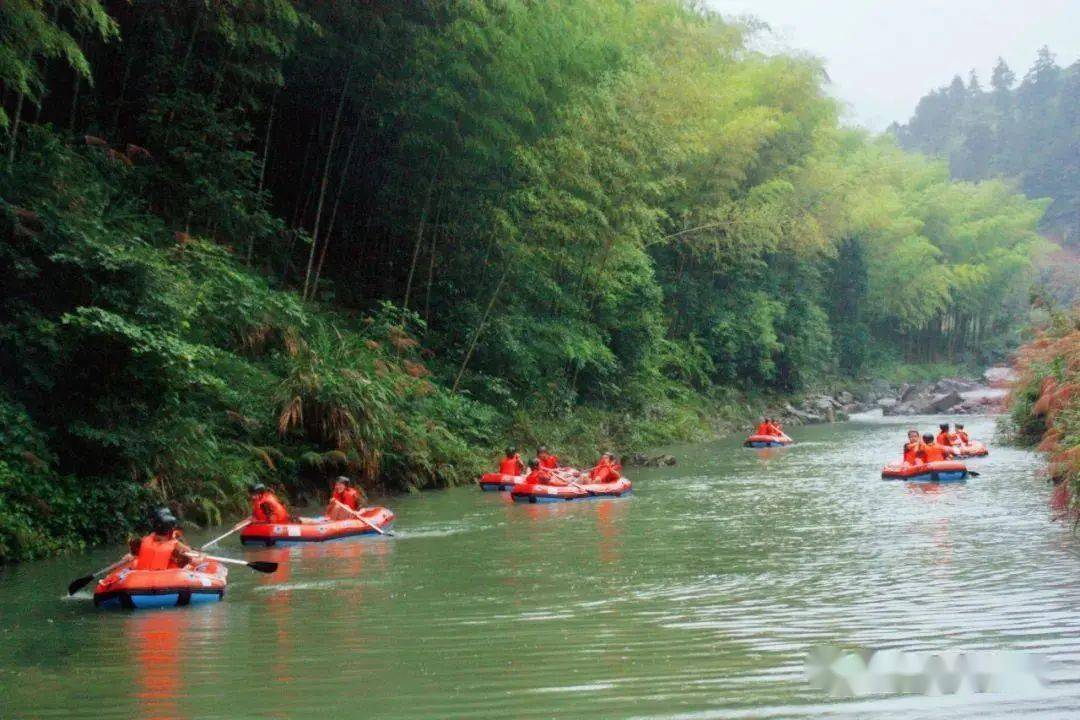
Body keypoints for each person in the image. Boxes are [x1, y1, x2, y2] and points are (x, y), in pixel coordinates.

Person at [128, 508, 198, 571]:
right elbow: (192, 558)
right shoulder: (175, 545)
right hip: (165, 579)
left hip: (141, 578)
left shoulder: (144, 541)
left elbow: (134, 555)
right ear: (170, 530)